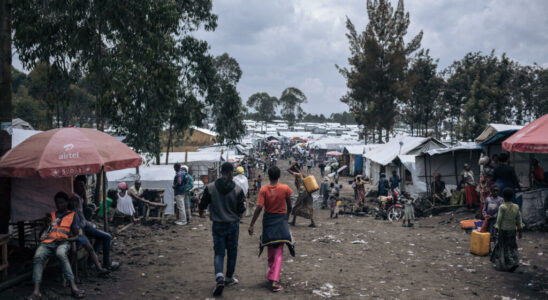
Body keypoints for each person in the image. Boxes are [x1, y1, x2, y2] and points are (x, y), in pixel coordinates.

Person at [199, 162, 246, 297]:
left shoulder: (210, 187)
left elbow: (202, 205)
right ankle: (229, 277)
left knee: (219, 252)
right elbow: (241, 209)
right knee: (232, 251)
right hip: (232, 225)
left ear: (221, 172)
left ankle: (219, 277)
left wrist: (202, 211)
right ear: (231, 173)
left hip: (217, 224)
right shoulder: (238, 189)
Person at [28, 192, 85, 300]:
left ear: (67, 202)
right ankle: (36, 291)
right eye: (57, 203)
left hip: (63, 242)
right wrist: (46, 225)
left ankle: (73, 287)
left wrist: (67, 239)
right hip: (48, 243)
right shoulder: (51, 215)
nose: (59, 205)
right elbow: (43, 234)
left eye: (62, 203)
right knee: (38, 256)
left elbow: (77, 236)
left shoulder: (73, 215)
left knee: (61, 254)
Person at [248, 166, 294, 292]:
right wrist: (287, 217)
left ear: (268, 176)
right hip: (280, 220)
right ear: (279, 176)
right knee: (278, 251)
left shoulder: (263, 189)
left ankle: (271, 275)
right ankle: (274, 280)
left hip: (268, 220)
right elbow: (289, 206)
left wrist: (252, 224)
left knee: (270, 247)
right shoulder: (285, 188)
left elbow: (259, 208)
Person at [72, 179, 112, 274]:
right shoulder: (75, 198)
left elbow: (85, 207)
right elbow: (78, 218)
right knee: (107, 237)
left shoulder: (79, 197)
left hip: (84, 224)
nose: (83, 188)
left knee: (100, 237)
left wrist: (84, 194)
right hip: (80, 228)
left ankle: (92, 262)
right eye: (80, 185)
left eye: (84, 185)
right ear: (74, 186)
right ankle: (106, 263)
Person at [491, 188, 524, 272]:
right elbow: (519, 220)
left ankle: (508, 263)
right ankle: (515, 261)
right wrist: (520, 231)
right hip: (512, 230)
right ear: (512, 196)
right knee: (512, 246)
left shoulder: (502, 207)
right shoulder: (516, 206)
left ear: (503, 197)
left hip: (503, 230)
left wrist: (496, 229)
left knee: (504, 247)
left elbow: (499, 220)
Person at [288, 163, 316, 227]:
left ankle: (293, 221)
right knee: (309, 206)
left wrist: (290, 169)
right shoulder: (302, 174)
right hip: (307, 192)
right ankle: (312, 222)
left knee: (296, 205)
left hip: (302, 193)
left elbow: (290, 172)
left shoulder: (298, 174)